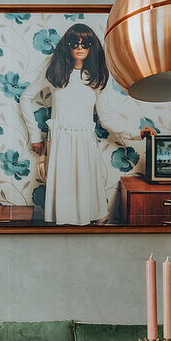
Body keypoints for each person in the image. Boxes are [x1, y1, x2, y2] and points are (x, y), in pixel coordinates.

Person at [20, 23, 127, 226]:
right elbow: (25, 97)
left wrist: (135, 133)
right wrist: (35, 136)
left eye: (84, 44)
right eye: (74, 43)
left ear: (91, 47)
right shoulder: (55, 72)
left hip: (85, 143)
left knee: (85, 199)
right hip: (60, 142)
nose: (79, 48)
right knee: (62, 199)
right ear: (67, 46)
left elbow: (106, 118)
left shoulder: (96, 77)